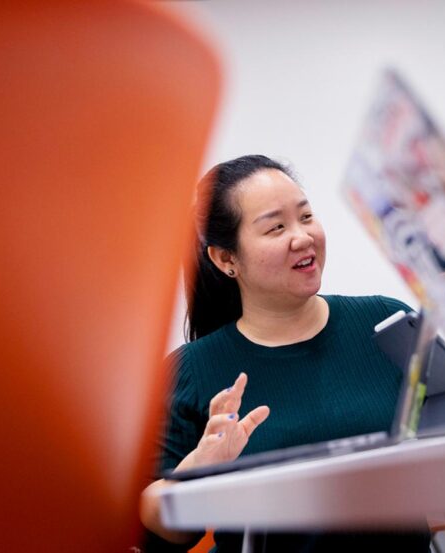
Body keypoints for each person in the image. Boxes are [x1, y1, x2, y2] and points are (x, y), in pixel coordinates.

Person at [139, 155, 430, 552]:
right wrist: (198, 471)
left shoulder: (386, 322)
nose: (302, 237)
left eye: (306, 217)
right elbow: (154, 531)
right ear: (227, 260)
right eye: (276, 227)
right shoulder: (191, 371)